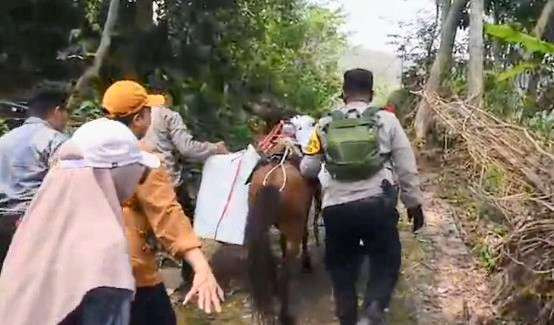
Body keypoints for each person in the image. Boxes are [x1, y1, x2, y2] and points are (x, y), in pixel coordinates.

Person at [0, 118, 160, 325]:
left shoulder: (31, 233)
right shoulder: (105, 249)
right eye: (138, 173)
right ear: (119, 173)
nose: (139, 179)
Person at [300, 69, 425, 325]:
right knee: (386, 260)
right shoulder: (387, 120)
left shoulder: (324, 123)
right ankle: (372, 311)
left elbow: (308, 169)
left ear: (343, 93)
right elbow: (406, 166)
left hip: (336, 210)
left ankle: (347, 315)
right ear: (371, 93)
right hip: (377, 205)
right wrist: (414, 204)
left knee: (340, 267)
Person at [102, 81, 224, 324]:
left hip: (90, 264)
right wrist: (202, 266)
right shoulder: (143, 159)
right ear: (138, 118)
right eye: (148, 110)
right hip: (132, 267)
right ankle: (189, 277)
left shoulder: (83, 150)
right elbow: (167, 214)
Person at [0, 90, 69, 270]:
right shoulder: (54, 140)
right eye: (65, 113)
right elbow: (66, 183)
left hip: (3, 222)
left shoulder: (4, 140)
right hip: (35, 222)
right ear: (57, 111)